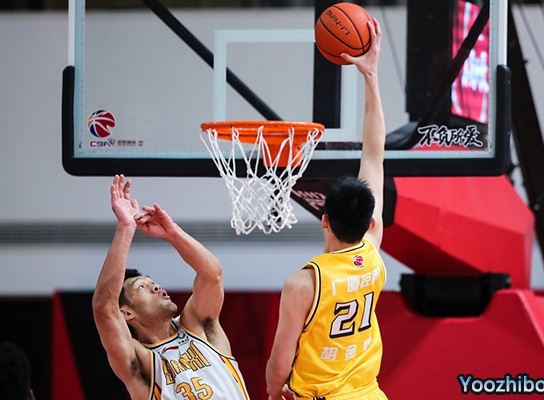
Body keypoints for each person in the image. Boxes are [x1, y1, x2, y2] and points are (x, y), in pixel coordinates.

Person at [266, 19, 388, 400]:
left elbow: (280, 362)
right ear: (369, 222)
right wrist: (371, 76)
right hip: (370, 393)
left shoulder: (303, 284)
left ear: (324, 221)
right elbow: (374, 154)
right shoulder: (373, 249)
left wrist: (273, 392)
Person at [92, 174, 249, 400]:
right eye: (141, 287)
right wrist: (126, 227)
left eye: (153, 283)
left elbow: (212, 274)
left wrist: (173, 233)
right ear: (126, 313)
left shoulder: (198, 327)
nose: (156, 287)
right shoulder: (140, 360)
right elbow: (104, 308)